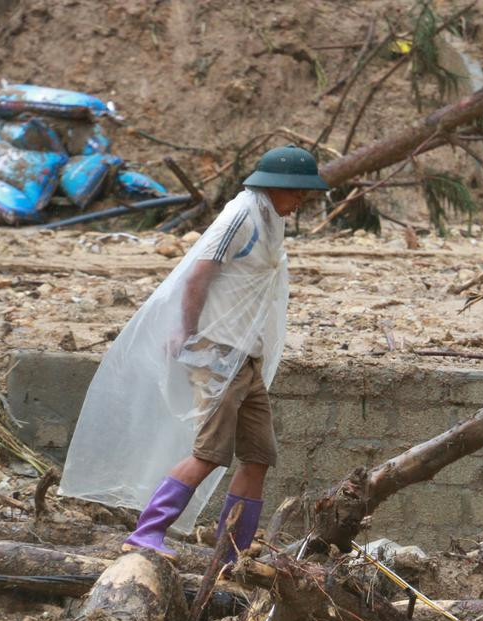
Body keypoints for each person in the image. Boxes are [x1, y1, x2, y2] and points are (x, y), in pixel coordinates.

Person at [60, 145, 329, 563]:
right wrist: (186, 332)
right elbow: (199, 273)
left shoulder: (269, 221)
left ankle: (231, 551)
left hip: (247, 358)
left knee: (258, 457)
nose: (300, 203)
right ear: (279, 187)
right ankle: (147, 532)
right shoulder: (241, 215)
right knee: (209, 454)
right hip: (220, 352)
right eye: (298, 194)